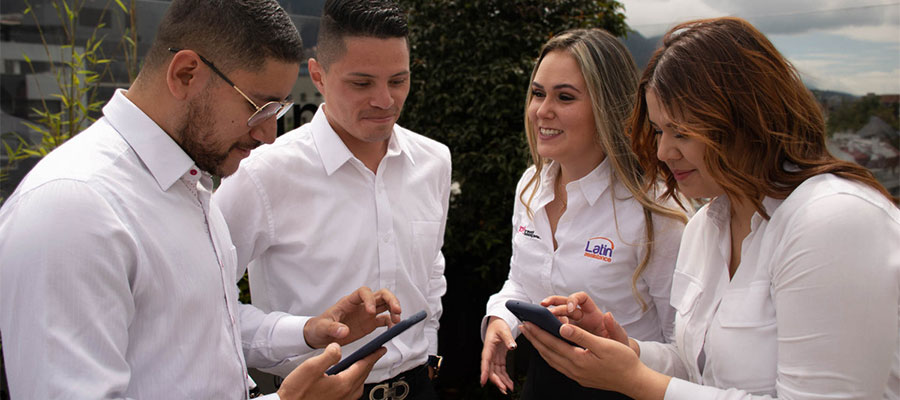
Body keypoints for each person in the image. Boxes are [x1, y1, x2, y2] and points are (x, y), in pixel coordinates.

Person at [0, 0, 404, 398]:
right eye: (259, 108)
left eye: (277, 111)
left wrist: (308, 331)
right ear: (186, 74)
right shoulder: (73, 208)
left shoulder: (188, 181)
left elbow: (209, 326)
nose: (268, 135)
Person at [521, 17, 900, 399]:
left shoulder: (832, 220)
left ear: (745, 119)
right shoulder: (707, 224)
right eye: (658, 130)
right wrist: (627, 350)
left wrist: (637, 381)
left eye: (682, 132)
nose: (663, 152)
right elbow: (698, 369)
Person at [212, 0, 450, 399]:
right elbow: (206, 304)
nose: (385, 100)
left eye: (398, 80)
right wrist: (303, 334)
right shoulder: (262, 174)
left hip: (418, 385)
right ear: (318, 75)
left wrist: (429, 348)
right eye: (362, 83)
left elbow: (430, 272)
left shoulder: (434, 161)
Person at [478, 28, 687, 399]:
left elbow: (685, 353)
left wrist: (626, 357)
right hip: (543, 383)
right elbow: (521, 281)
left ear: (608, 106)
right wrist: (500, 320)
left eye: (565, 96)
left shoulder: (656, 210)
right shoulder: (531, 186)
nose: (543, 110)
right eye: (538, 93)